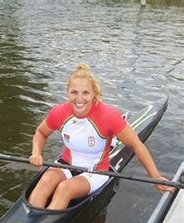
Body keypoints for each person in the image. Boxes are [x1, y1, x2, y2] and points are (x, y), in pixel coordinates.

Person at [28, 64, 174, 210]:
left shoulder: (108, 116)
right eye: (74, 92)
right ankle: (28, 221)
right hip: (66, 163)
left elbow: (136, 145)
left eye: (85, 93)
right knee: (46, 179)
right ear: (67, 93)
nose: (79, 99)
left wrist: (155, 177)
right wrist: (36, 153)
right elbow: (40, 133)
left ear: (93, 94)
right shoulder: (58, 113)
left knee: (64, 189)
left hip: (96, 172)